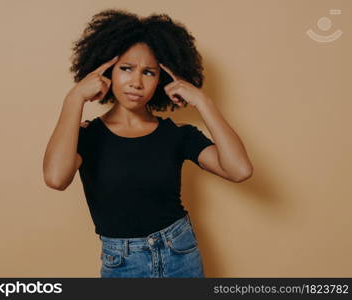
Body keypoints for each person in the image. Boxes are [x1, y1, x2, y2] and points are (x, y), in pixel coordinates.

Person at [43, 9, 253, 278]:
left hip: (181, 254)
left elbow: (240, 170)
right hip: (123, 263)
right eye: (126, 69)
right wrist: (74, 98)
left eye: (149, 72)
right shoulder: (85, 137)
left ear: (163, 79)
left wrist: (203, 102)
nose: (136, 82)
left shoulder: (178, 135)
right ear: (105, 71)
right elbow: (55, 178)